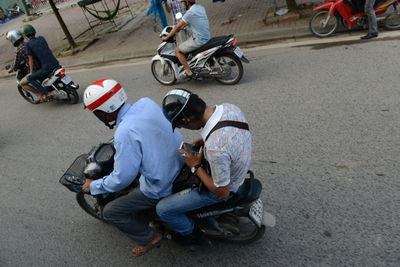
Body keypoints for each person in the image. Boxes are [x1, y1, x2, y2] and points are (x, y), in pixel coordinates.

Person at [81, 79, 184, 256]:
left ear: (104, 112)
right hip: (182, 160)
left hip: (162, 185)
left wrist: (94, 186)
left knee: (111, 211)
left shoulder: (125, 131)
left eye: (96, 113)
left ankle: (149, 237)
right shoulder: (146, 103)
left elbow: (122, 178)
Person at [156, 88, 252, 245]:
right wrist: (206, 141)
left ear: (189, 117)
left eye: (179, 123)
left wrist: (195, 166)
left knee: (163, 209)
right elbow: (230, 136)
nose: (180, 128)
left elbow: (222, 192)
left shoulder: (216, 147)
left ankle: (191, 235)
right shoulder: (229, 108)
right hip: (235, 165)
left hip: (225, 187)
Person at [161, 0, 210, 78]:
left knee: (177, 50)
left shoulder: (189, 13)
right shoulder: (200, 7)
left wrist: (167, 37)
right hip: (206, 36)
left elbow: (177, 27)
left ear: (187, 2)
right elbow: (194, 20)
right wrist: (183, 26)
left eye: (183, 2)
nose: (182, 4)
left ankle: (188, 71)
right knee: (187, 44)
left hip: (199, 39)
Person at [21, 24, 60, 100]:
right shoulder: (42, 38)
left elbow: (30, 60)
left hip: (46, 68)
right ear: (34, 32)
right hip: (56, 63)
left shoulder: (28, 45)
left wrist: (31, 72)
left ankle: (46, 93)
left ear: (26, 36)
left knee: (30, 79)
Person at [6, 30, 45, 102]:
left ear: (12, 40)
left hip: (34, 68)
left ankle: (40, 93)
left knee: (22, 83)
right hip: (43, 64)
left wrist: (12, 69)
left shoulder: (19, 50)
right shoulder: (29, 43)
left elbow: (16, 63)